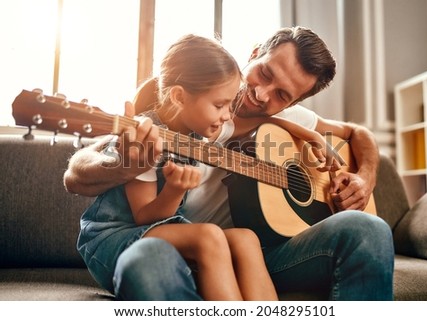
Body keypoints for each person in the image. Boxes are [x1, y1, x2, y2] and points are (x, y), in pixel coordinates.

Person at [64, 26, 394, 300]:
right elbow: (84, 167)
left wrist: (363, 179)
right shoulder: (188, 93)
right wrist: (128, 167)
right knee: (162, 256)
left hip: (260, 251)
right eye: (264, 73)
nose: (263, 95)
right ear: (253, 54)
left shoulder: (284, 118)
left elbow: (357, 133)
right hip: (179, 244)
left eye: (282, 96)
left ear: (293, 103)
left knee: (369, 229)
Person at [76, 34, 282, 300]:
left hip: (163, 231)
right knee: (208, 235)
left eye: (230, 104)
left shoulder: (194, 134)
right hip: (114, 238)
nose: (228, 115)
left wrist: (310, 134)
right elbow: (145, 217)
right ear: (179, 97)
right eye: (220, 105)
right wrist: (174, 189)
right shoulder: (143, 136)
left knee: (246, 239)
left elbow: (252, 124)